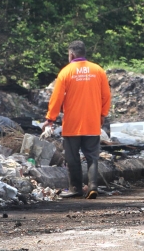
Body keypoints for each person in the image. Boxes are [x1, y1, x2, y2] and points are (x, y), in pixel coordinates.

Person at [41, 41, 111, 199]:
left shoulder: (66, 72)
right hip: (92, 122)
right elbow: (106, 96)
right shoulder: (98, 70)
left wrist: (50, 119)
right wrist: (102, 115)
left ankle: (76, 188)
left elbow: (56, 98)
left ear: (71, 54)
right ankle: (93, 186)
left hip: (72, 124)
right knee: (92, 156)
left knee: (72, 157)